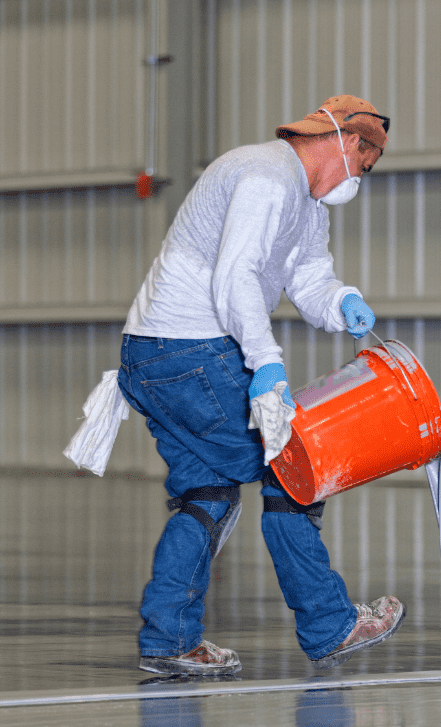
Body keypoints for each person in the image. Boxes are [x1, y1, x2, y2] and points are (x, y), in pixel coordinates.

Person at [114, 95, 404, 676]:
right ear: (348, 142)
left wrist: (340, 301)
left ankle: (168, 638)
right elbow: (236, 277)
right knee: (294, 466)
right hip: (188, 350)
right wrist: (265, 363)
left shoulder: (306, 201)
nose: (362, 176)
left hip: (154, 353)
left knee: (209, 497)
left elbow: (306, 274)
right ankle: (330, 625)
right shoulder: (266, 176)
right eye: (365, 162)